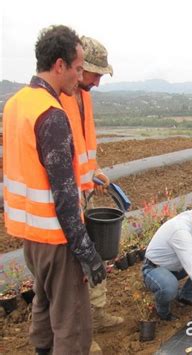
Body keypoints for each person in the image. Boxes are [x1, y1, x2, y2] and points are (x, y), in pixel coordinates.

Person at [2, 25, 106, 354]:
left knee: (44, 307)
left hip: (30, 238)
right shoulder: (52, 115)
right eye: (78, 68)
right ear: (59, 65)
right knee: (73, 327)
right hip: (57, 239)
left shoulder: (15, 104)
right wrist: (87, 253)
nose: (80, 77)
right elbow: (63, 197)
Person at [59, 36, 121, 354]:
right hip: (67, 201)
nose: (97, 81)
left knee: (96, 255)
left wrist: (93, 170)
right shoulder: (59, 98)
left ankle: (98, 313)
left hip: (86, 193)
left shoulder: (85, 97)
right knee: (75, 268)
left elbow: (82, 148)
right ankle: (84, 336)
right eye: (95, 74)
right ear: (78, 67)